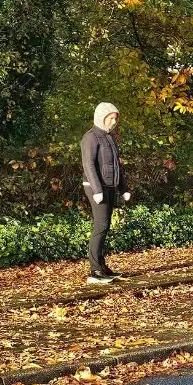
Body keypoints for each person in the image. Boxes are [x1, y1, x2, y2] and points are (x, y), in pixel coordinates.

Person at [81, 102, 131, 284]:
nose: (114, 121)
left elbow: (117, 166)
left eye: (115, 118)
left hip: (109, 186)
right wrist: (96, 189)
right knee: (101, 226)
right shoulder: (90, 137)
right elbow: (88, 165)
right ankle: (95, 270)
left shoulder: (110, 137)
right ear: (101, 117)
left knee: (106, 225)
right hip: (96, 187)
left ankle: (102, 266)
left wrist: (123, 188)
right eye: (111, 118)